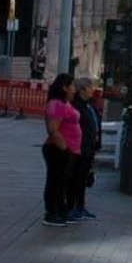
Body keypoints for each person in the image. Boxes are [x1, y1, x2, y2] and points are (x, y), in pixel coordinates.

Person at [41, 73, 81, 228]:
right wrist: (64, 149)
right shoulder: (56, 104)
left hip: (68, 150)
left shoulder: (65, 103)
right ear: (64, 87)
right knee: (55, 182)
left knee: (62, 182)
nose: (74, 90)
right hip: (58, 149)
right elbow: (53, 129)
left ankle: (60, 210)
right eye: (72, 86)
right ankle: (51, 213)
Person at [66, 82, 102, 221]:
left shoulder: (89, 105)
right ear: (82, 90)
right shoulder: (77, 106)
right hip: (80, 147)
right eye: (89, 87)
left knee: (83, 178)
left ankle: (80, 206)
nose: (92, 90)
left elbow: (95, 123)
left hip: (89, 147)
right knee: (75, 177)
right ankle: (71, 207)